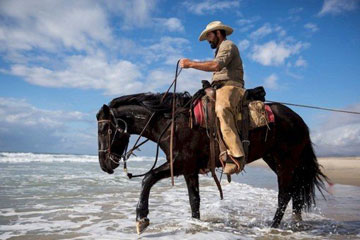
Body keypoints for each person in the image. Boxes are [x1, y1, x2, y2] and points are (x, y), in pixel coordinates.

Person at [180, 21, 246, 175]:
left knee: (222, 110)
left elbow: (216, 66)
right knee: (197, 111)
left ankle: (237, 156)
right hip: (218, 87)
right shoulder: (219, 49)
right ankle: (206, 156)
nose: (208, 39)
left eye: (209, 35)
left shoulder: (228, 45)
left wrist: (190, 64)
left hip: (231, 86)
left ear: (218, 33)